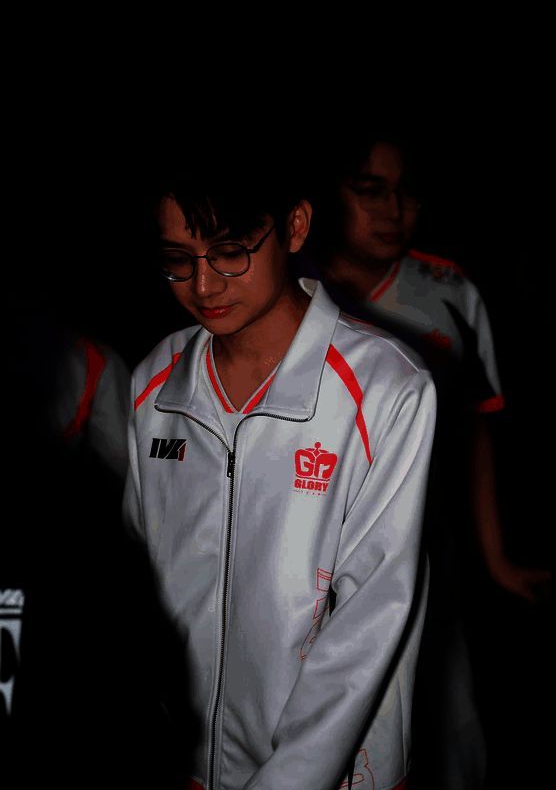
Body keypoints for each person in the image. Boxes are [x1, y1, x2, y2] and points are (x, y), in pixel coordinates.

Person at [123, 136, 436, 790]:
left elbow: (370, 623)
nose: (203, 285)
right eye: (179, 260)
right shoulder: (155, 383)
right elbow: (135, 588)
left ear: (294, 226)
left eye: (231, 251)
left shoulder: (386, 391)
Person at [301, 127, 552, 789]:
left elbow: (476, 429)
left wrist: (494, 558)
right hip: (306, 561)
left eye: (406, 192)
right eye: (370, 190)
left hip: (426, 558)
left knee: (447, 727)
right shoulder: (287, 291)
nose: (393, 209)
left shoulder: (448, 290)